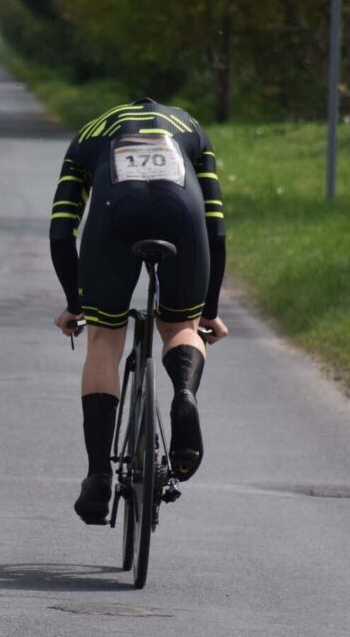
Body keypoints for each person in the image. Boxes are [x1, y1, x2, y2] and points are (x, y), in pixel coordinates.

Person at [49, 97, 229, 525]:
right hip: (182, 215)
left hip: (114, 217)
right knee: (180, 326)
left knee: (105, 339)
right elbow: (216, 226)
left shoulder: (88, 135)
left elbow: (61, 231)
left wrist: (75, 303)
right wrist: (209, 310)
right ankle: (184, 392)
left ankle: (98, 474)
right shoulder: (191, 128)